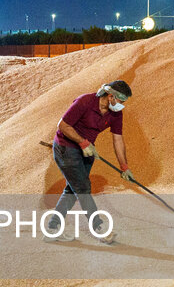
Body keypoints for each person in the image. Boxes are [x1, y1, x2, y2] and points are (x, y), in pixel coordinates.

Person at [47, 80, 135, 244]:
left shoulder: (116, 114)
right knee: (82, 187)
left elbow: (118, 140)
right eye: (121, 101)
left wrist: (124, 167)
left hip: (87, 151)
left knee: (74, 190)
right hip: (66, 148)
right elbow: (63, 126)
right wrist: (83, 143)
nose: (122, 105)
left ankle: (52, 228)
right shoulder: (85, 102)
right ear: (111, 97)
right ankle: (99, 228)